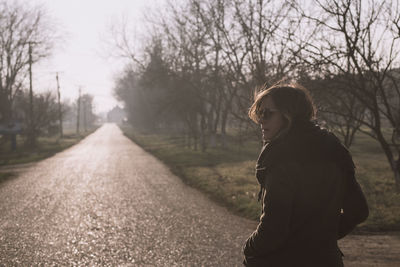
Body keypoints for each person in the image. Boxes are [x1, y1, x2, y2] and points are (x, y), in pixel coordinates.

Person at [242, 83, 369, 267]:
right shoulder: (333, 148)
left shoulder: (281, 156)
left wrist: (248, 248)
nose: (261, 120)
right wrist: (321, 238)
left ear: (288, 115)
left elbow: (273, 230)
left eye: (268, 113)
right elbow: (358, 211)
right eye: (260, 113)